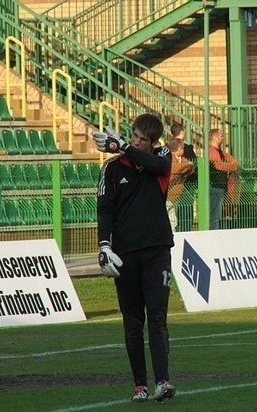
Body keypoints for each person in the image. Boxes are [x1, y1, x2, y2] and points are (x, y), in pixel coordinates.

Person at [92, 114, 176, 403]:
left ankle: (163, 382)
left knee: (157, 318)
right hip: (125, 254)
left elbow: (159, 165)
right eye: (135, 136)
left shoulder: (162, 158)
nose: (138, 141)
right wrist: (104, 246)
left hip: (157, 250)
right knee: (132, 321)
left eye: (143, 139)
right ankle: (139, 385)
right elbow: (105, 209)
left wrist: (124, 146)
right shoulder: (112, 168)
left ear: (154, 143)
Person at [208, 128, 239, 230]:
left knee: (220, 213)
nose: (223, 138)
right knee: (215, 215)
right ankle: (214, 234)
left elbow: (233, 160)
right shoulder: (212, 151)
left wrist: (233, 163)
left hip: (221, 186)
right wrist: (233, 166)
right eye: (221, 136)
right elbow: (218, 165)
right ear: (215, 138)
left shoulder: (219, 151)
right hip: (215, 186)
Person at [169, 123, 197, 231]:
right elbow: (191, 164)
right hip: (184, 186)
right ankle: (184, 231)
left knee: (175, 215)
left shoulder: (168, 146)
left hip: (177, 188)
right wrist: (187, 166)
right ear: (182, 132)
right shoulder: (185, 148)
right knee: (184, 212)